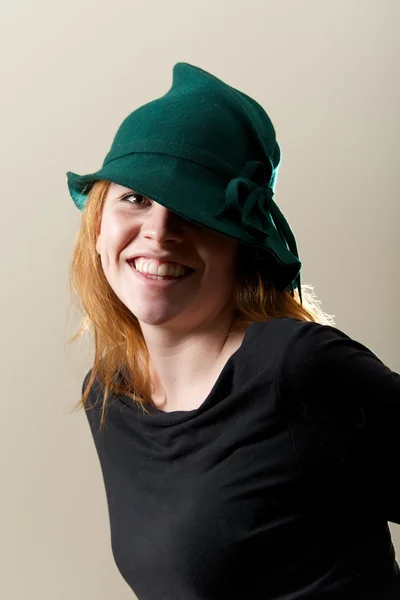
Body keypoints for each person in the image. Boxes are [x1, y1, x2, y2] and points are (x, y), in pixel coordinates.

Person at [66, 62, 400, 599]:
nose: (159, 233)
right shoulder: (109, 393)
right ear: (100, 220)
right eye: (137, 198)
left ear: (240, 244)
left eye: (195, 211)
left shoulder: (297, 369)